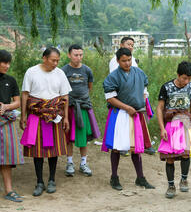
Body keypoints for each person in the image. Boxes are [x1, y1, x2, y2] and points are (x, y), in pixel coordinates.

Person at [20, 47, 71, 196]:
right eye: (53, 60)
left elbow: (65, 97)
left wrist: (66, 117)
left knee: (53, 150)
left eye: (57, 61)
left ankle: (52, 180)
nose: (55, 63)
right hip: (36, 115)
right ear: (44, 58)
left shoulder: (60, 73)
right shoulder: (31, 72)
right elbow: (25, 95)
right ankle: (39, 182)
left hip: (54, 116)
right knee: (37, 151)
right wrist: (23, 116)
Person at [102, 47, 155, 191]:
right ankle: (114, 177)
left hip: (136, 114)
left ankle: (140, 178)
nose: (127, 63)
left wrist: (140, 104)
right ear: (118, 61)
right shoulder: (113, 77)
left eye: (129, 60)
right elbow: (111, 99)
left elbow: (144, 92)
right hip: (120, 115)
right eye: (124, 61)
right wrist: (127, 107)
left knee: (136, 148)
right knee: (117, 148)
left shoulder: (139, 73)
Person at [157, 61, 191, 199]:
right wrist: (162, 128)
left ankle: (184, 179)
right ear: (178, 75)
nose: (187, 81)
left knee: (186, 154)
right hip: (170, 124)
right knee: (170, 157)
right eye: (184, 78)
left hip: (185, 123)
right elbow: (160, 108)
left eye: (190, 78)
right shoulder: (167, 87)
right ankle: (171, 185)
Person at [109, 36, 156, 156]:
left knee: (140, 120)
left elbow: (139, 77)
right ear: (121, 45)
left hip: (138, 94)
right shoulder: (115, 61)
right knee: (124, 122)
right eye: (128, 44)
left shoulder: (133, 59)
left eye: (132, 45)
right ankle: (124, 146)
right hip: (124, 97)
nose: (130, 47)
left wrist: (143, 93)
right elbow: (119, 80)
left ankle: (143, 143)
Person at [62, 44, 101, 177]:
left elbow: (89, 87)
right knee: (69, 137)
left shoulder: (87, 70)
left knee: (83, 136)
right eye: (75, 55)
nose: (78, 58)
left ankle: (83, 163)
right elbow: (62, 91)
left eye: (81, 55)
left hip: (84, 106)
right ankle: (69, 162)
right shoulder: (63, 71)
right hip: (69, 107)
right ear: (69, 55)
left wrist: (82, 99)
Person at [0, 50, 25, 202]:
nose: (7, 66)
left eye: (9, 63)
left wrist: (6, 107)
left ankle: (9, 190)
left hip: (5, 122)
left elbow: (18, 102)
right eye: (4, 62)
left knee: (6, 158)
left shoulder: (11, 80)